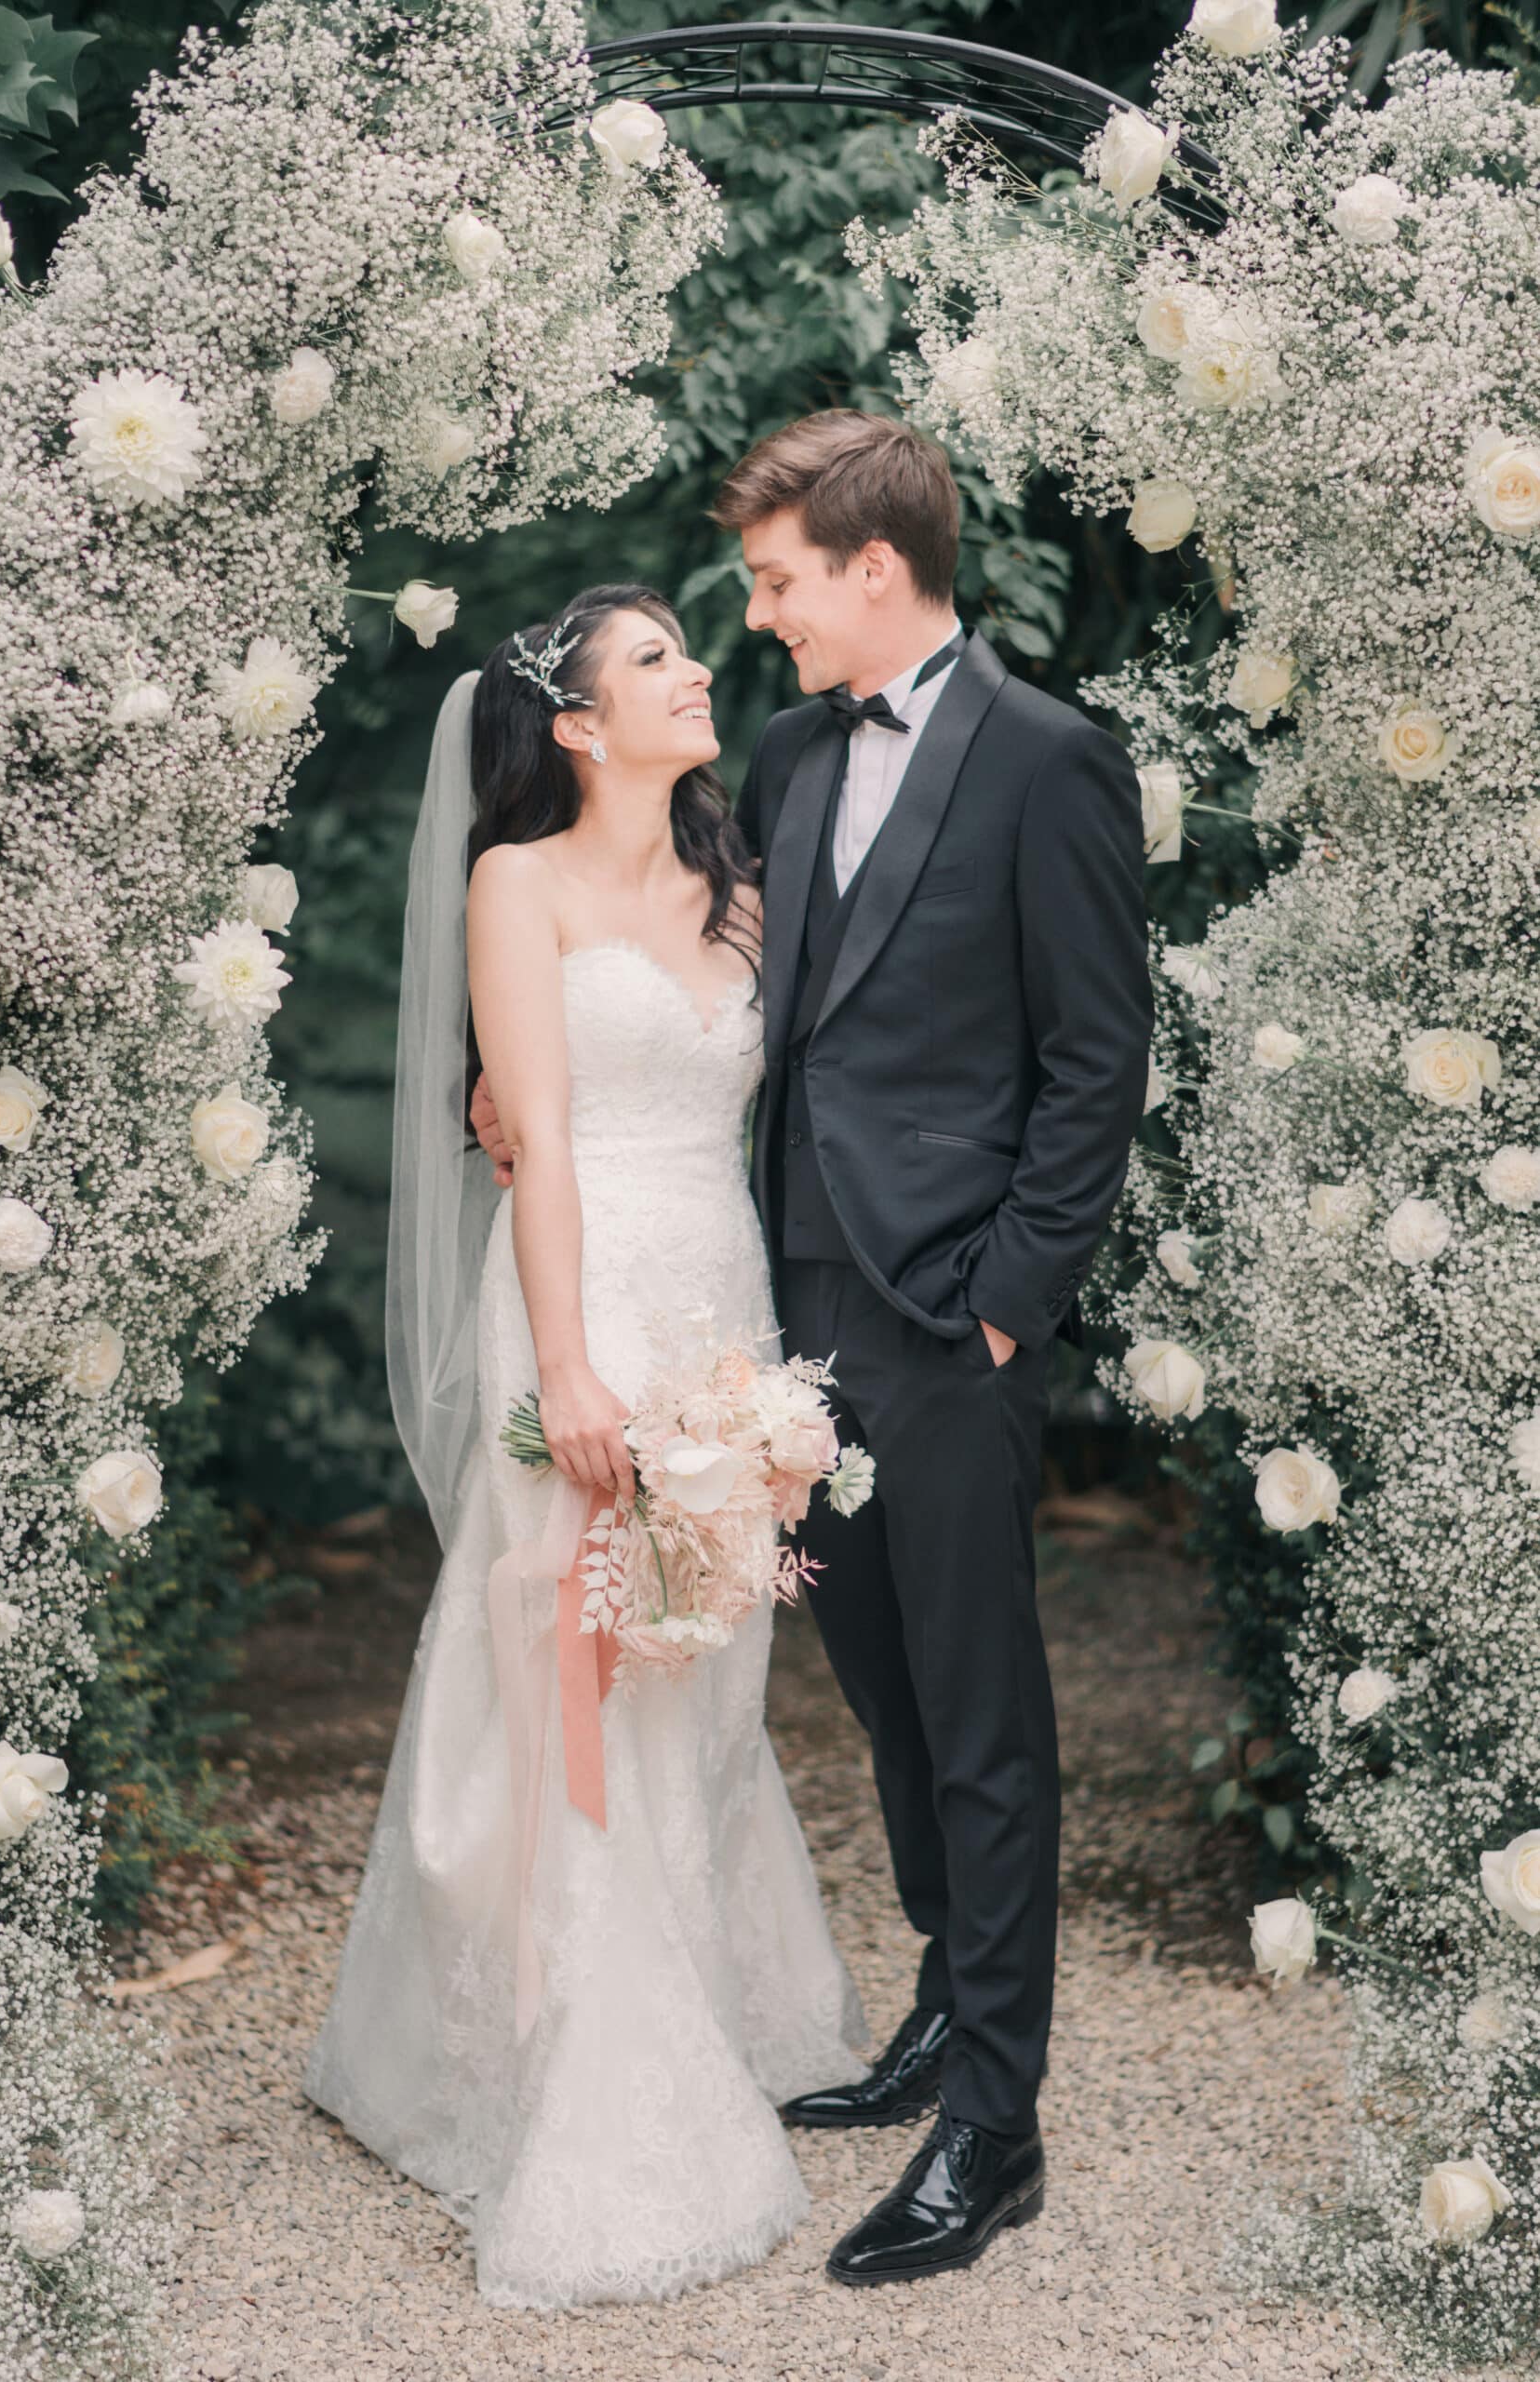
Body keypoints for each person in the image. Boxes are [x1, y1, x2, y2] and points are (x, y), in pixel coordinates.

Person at [478, 412, 1153, 2286]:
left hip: (949, 1313)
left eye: (774, 579)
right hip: (776, 1313)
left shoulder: (1048, 759)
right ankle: (949, 1994)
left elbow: (1096, 1060)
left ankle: (993, 2123)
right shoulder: (777, 752)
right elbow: (709, 975)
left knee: (983, 1701)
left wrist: (1011, 1290)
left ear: (873, 568)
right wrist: (517, 1073)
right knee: (878, 1681)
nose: (754, 614)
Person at [302, 583, 867, 2310]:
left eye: (692, 650)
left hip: (725, 1307)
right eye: (656, 660)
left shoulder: (748, 888)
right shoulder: (515, 884)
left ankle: (704, 1991)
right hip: (583, 1301)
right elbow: (533, 1139)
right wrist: (566, 1375)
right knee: (577, 1656)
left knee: (708, 1651)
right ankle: (585, 2057)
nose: (699, 672)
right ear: (571, 724)